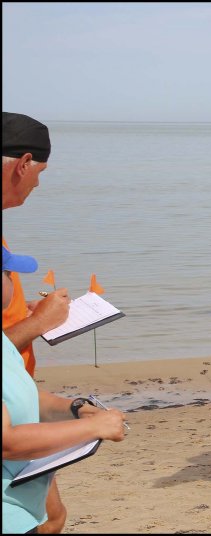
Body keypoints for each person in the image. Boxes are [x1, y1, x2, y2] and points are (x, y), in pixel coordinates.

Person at [2, 246, 127, 534]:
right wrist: (96, 428)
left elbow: (21, 395)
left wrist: (75, 408)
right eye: (8, 273)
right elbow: (7, 442)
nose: (14, 282)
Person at [2, 112, 71, 533]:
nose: (38, 184)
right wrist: (38, 324)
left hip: (19, 398)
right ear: (23, 163)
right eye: (39, 172)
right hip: (8, 421)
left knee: (52, 516)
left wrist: (29, 312)